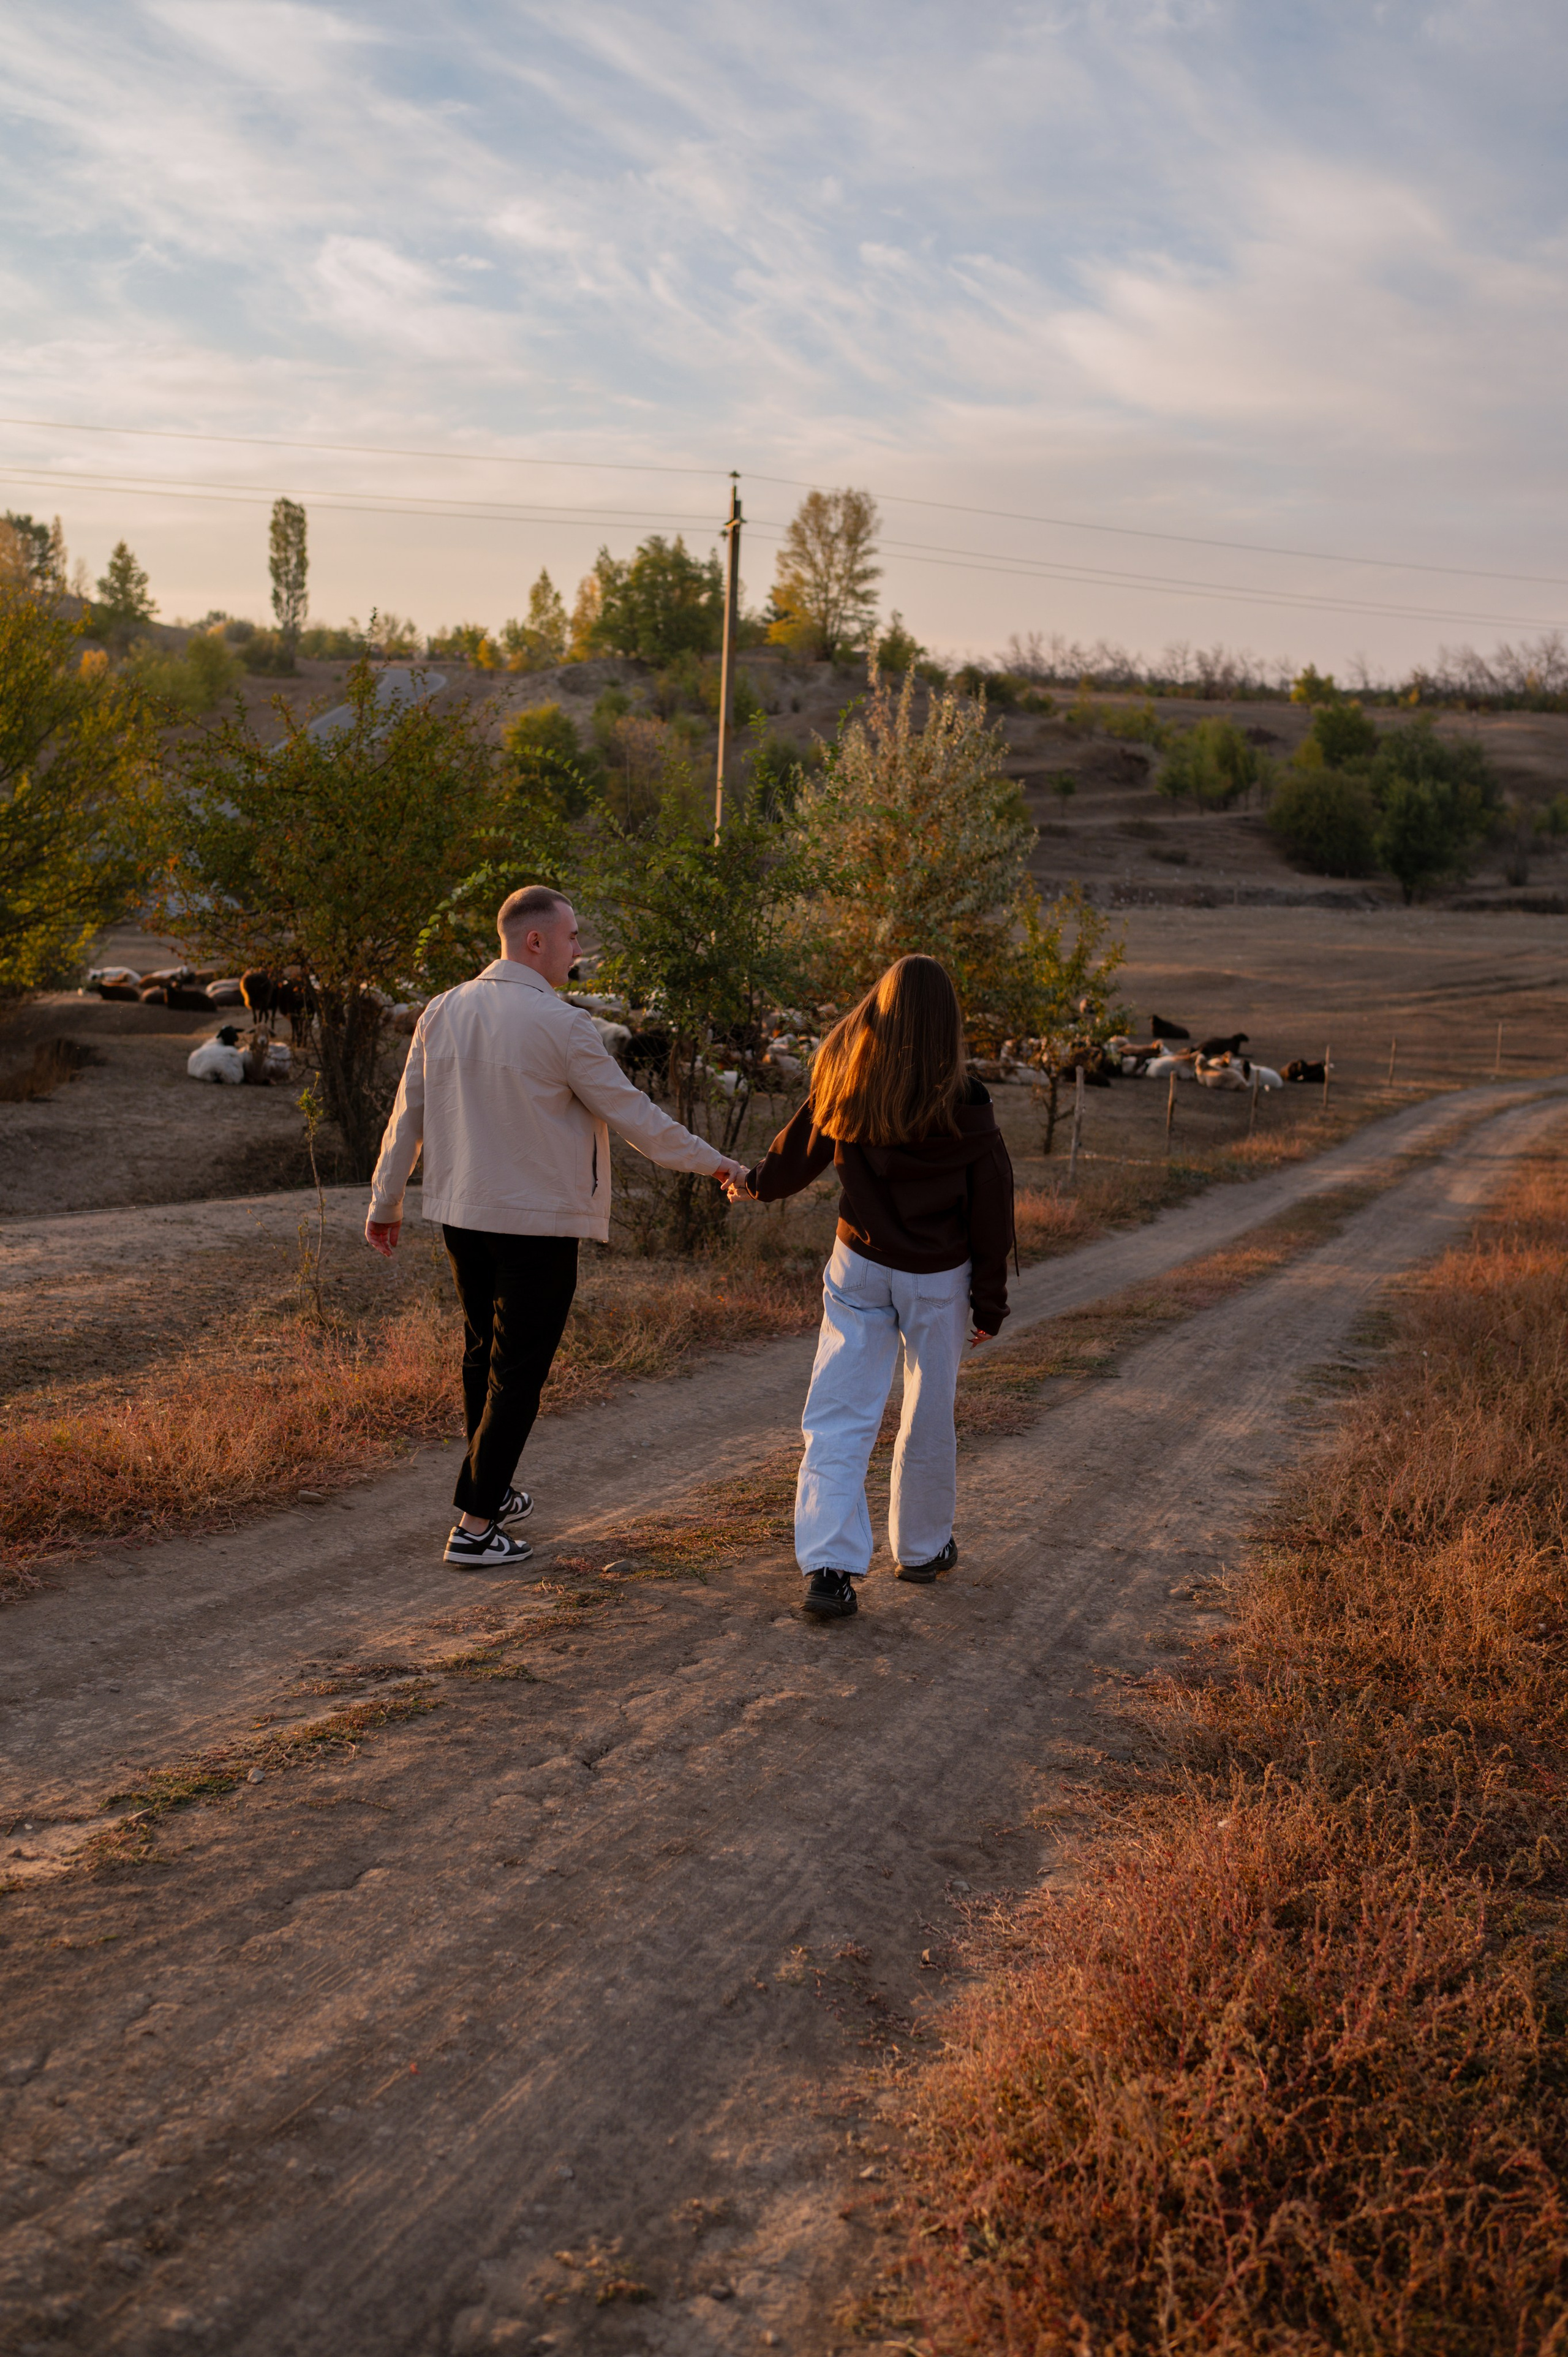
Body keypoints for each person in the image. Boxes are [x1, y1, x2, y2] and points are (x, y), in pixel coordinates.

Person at [366, 885, 745, 1568]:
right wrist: (717, 1164)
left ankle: (491, 1489)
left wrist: (385, 1201)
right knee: (517, 1372)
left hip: (463, 1216)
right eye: (572, 937)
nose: (579, 950)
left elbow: (407, 1113)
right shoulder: (563, 1025)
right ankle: (475, 1528)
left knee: (485, 1355)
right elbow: (636, 1117)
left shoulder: (442, 1008)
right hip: (535, 1224)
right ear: (534, 940)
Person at [725, 954, 1012, 1618]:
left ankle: (829, 1568)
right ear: (948, 1024)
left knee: (839, 1414)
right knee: (928, 1411)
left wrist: (753, 1183)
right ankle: (921, 1550)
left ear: (880, 1010)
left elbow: (797, 1155)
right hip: (938, 1278)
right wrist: (990, 1302)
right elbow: (993, 1209)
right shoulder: (968, 1104)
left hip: (858, 1266)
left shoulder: (846, 1078)